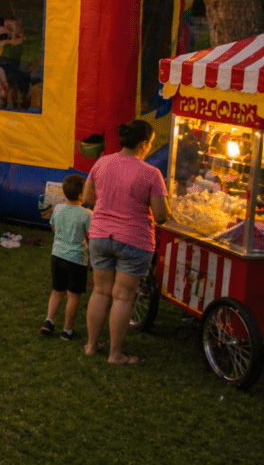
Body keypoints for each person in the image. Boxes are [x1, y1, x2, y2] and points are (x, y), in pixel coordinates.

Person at [83, 120, 170, 365]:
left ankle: (91, 345)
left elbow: (88, 197)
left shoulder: (101, 163)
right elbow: (162, 216)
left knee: (100, 291)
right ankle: (115, 354)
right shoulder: (151, 173)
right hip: (134, 240)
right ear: (143, 144)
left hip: (100, 235)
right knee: (122, 297)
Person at [39, 174, 92, 340]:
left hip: (57, 255)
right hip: (76, 259)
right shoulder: (87, 214)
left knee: (57, 291)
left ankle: (49, 321)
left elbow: (54, 227)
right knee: (73, 295)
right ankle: (67, 331)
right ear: (81, 195)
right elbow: (91, 235)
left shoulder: (58, 209)